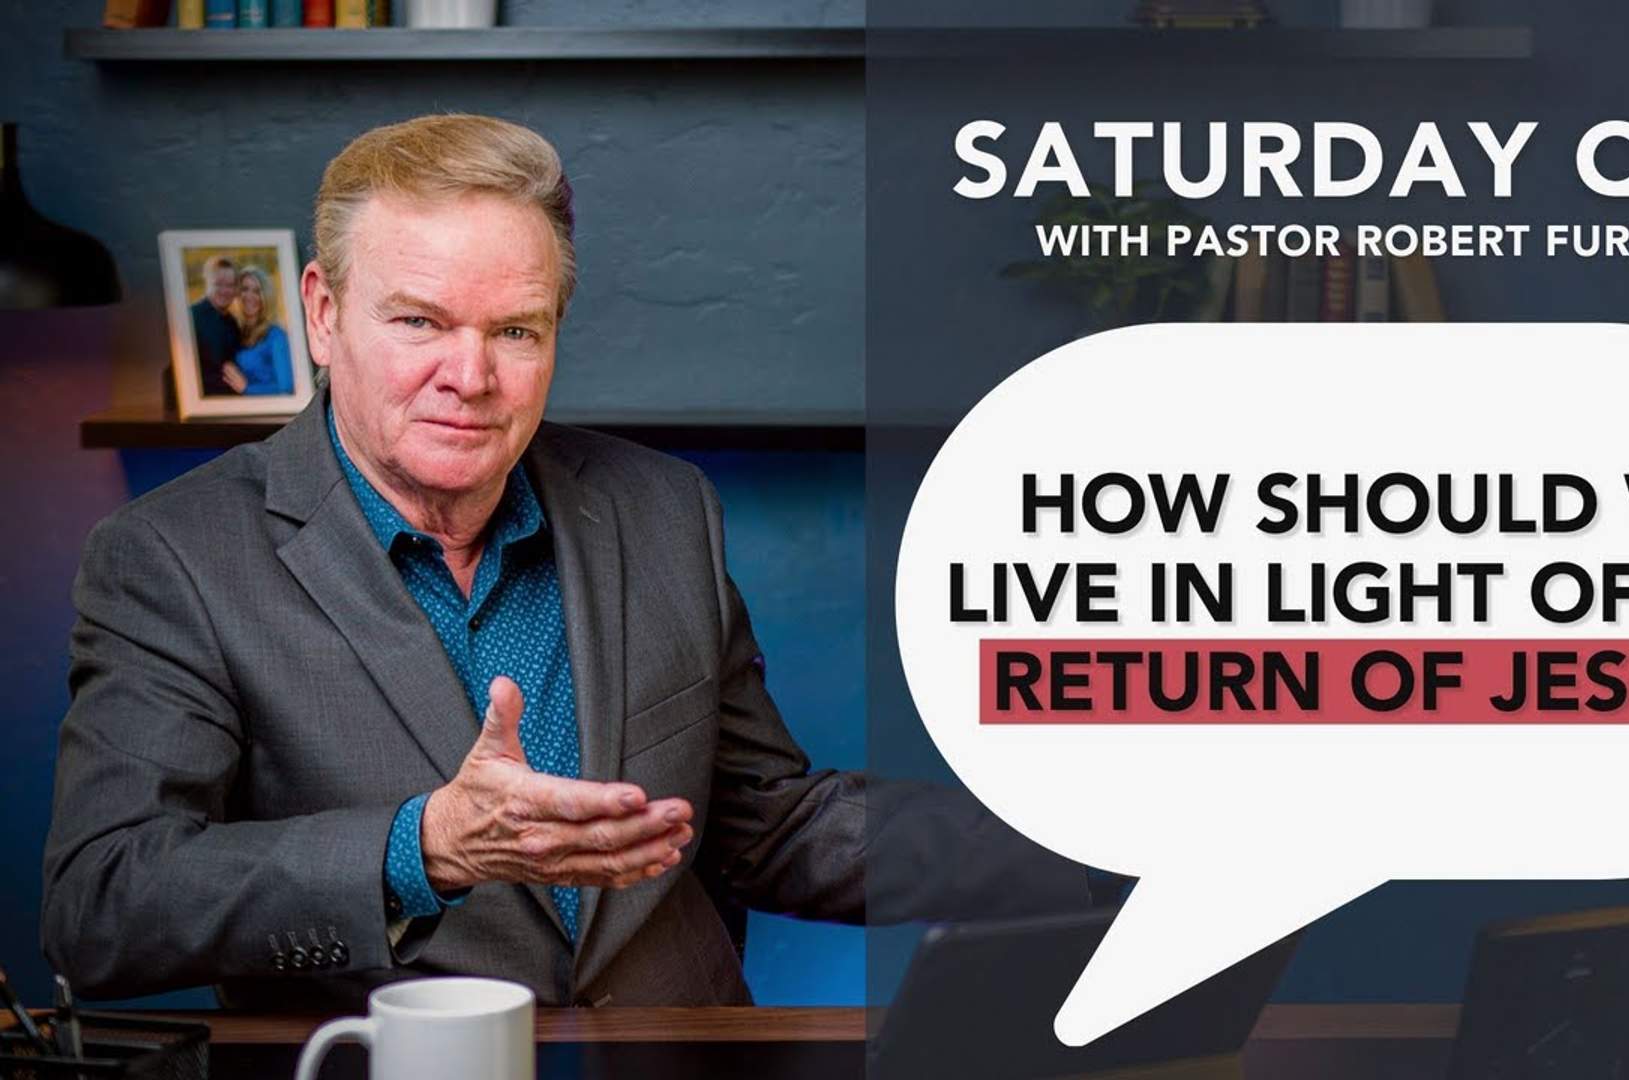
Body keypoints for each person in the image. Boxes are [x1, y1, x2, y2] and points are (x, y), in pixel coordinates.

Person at [42, 114, 1083, 1010]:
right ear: (322, 313)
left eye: (517, 331)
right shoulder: (172, 556)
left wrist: (1100, 838)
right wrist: (424, 847)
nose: (472, 375)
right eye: (419, 322)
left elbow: (771, 826)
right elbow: (103, 904)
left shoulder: (663, 508)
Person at [225, 264, 295, 395]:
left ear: (265, 297)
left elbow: (286, 388)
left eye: (257, 291)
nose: (249, 296)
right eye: (244, 289)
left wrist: (247, 389)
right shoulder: (235, 332)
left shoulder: (276, 336)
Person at [188, 255, 241, 396]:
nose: (224, 291)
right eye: (218, 284)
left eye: (230, 285)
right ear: (207, 283)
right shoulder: (191, 318)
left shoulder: (232, 322)